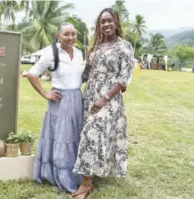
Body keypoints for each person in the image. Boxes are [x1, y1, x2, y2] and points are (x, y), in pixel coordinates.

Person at [71, 8, 135, 199]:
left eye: (109, 21)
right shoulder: (96, 46)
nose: (106, 24)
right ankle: (95, 171)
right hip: (89, 95)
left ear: (116, 22)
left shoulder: (124, 46)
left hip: (108, 98)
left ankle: (85, 184)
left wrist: (105, 97)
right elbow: (85, 74)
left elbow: (124, 77)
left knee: (93, 133)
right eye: (102, 22)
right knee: (93, 135)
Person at [27, 23, 84, 193]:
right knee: (61, 138)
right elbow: (32, 74)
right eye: (66, 34)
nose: (71, 37)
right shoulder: (51, 53)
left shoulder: (80, 53)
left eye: (73, 34)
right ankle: (59, 174)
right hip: (60, 101)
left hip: (77, 99)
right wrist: (45, 94)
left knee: (74, 136)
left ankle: (76, 171)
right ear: (58, 36)